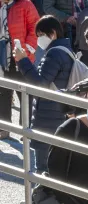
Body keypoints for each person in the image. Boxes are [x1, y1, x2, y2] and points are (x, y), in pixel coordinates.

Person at [14, 15, 74, 172]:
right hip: (57, 113)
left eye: (41, 35)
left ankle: (40, 196)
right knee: (55, 165)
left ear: (52, 33)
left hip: (48, 115)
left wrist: (22, 61)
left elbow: (40, 83)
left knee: (42, 167)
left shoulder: (54, 54)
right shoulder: (64, 49)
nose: (39, 39)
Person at [0, 0, 40, 138]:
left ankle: (26, 130)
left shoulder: (25, 5)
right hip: (3, 56)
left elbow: (34, 27)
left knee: (24, 94)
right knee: (3, 93)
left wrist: (27, 51)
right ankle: (4, 128)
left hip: (22, 56)